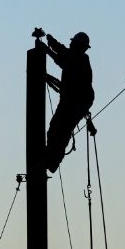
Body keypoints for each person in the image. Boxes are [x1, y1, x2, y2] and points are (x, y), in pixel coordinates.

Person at [43, 31, 94, 173]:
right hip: (76, 101)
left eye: (73, 43)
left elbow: (61, 56)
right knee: (60, 130)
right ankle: (52, 159)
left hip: (75, 102)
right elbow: (62, 53)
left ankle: (52, 160)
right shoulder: (78, 58)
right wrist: (50, 42)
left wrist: (47, 48)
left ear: (78, 46)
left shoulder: (78, 59)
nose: (70, 44)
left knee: (58, 129)